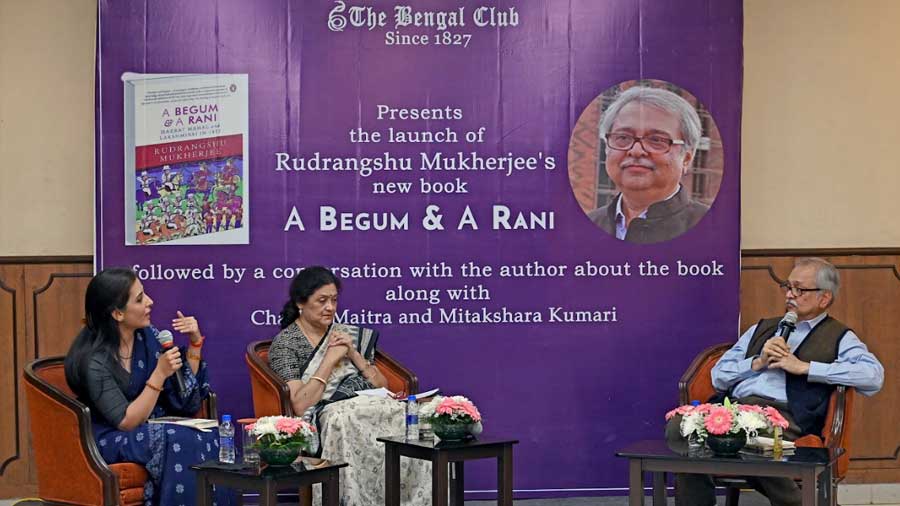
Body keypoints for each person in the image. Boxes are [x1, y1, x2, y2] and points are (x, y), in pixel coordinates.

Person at [668, 258, 884, 506]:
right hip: (733, 409)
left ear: (824, 298)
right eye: (787, 287)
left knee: (753, 435)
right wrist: (756, 363)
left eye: (799, 289)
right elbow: (718, 375)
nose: (790, 295)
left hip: (784, 416)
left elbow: (873, 376)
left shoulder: (840, 336)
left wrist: (804, 367)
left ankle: (795, 502)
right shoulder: (760, 328)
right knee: (681, 427)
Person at [64, 268, 234, 506]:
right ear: (117, 314)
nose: (150, 302)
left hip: (152, 424)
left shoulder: (149, 335)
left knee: (212, 433)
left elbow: (185, 400)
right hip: (112, 436)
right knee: (177, 437)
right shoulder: (95, 361)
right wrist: (158, 375)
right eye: (140, 298)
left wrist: (195, 345)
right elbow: (126, 420)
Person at [268, 266, 430, 506]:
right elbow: (300, 404)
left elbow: (382, 386)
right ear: (301, 303)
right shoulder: (286, 344)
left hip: (366, 402)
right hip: (325, 410)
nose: (330, 308)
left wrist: (353, 353)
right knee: (342, 417)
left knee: (421, 412)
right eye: (322, 301)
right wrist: (330, 359)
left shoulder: (345, 334)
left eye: (334, 300)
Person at [587, 86, 710, 243]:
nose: (636, 151)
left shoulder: (710, 230)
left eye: (656, 140)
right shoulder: (587, 226)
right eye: (623, 137)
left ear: (686, 158)